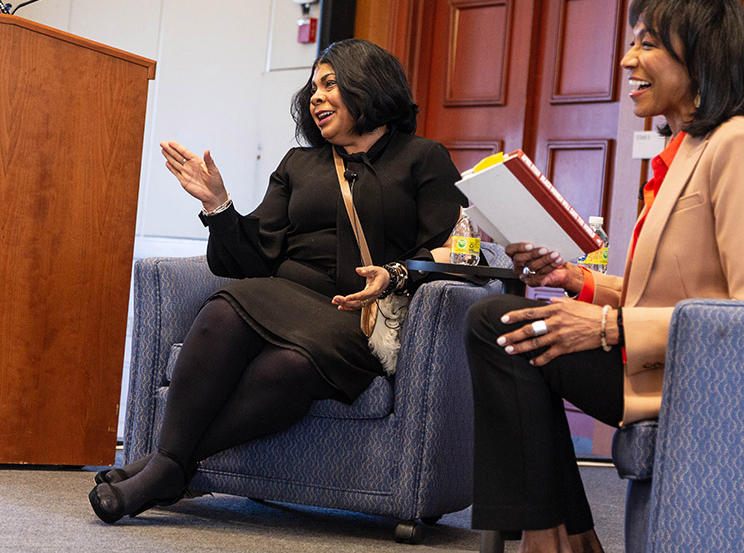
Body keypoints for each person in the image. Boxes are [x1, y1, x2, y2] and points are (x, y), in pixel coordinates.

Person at [465, 0, 744, 553]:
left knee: (498, 321)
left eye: (647, 44)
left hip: (701, 382)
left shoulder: (742, 147)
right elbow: (678, 291)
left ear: (701, 60)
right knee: (504, 324)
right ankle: (566, 547)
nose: (626, 60)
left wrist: (605, 328)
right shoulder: (686, 150)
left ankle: (554, 548)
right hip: (660, 358)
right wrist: (579, 281)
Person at [89, 39, 465, 523]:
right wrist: (218, 205)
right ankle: (168, 467)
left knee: (290, 368)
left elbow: (455, 251)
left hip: (359, 317)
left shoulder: (423, 158)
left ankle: (166, 465)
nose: (315, 96)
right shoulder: (298, 163)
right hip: (283, 294)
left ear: (368, 86)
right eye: (312, 87)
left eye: (330, 84)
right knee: (228, 305)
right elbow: (251, 257)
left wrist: (394, 276)